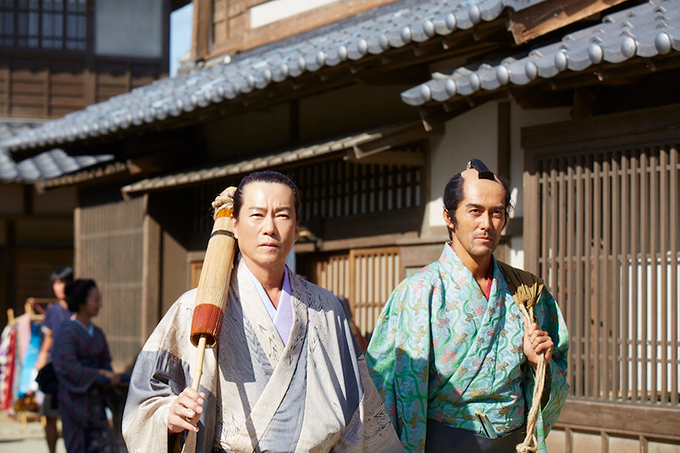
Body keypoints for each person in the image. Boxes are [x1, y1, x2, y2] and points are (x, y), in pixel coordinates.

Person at [123, 171, 402, 453]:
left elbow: (362, 411)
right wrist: (169, 415)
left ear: (296, 228)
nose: (269, 227)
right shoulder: (196, 307)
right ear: (234, 224)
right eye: (257, 215)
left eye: (282, 215)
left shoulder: (327, 308)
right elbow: (145, 401)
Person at [367, 159, 569, 453]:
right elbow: (388, 385)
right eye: (475, 211)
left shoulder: (527, 292)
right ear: (449, 217)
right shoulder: (418, 293)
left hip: (512, 443)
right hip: (444, 443)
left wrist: (539, 365)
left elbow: (556, 369)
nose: (486, 224)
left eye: (497, 212)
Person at [52, 279, 122, 453]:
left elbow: (106, 362)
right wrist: (100, 374)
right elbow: (67, 366)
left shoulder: (97, 333)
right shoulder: (67, 331)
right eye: (96, 300)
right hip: (73, 402)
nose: (100, 304)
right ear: (82, 302)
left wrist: (110, 377)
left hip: (97, 403)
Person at [35, 266, 73, 453]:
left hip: (73, 368)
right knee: (50, 416)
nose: (61, 287)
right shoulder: (52, 310)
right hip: (53, 368)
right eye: (57, 283)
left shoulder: (79, 308)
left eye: (64, 282)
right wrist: (41, 360)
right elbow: (48, 338)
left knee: (69, 417)